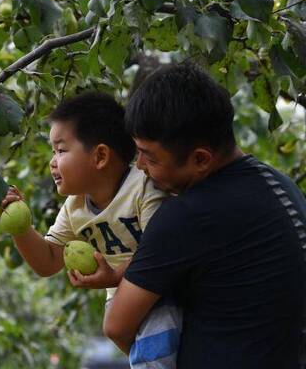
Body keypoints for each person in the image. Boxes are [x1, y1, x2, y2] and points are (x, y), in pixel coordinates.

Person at [104, 62, 306, 368]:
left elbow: (117, 326)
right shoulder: (281, 184)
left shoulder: (187, 215)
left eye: (149, 156)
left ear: (200, 159)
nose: (140, 167)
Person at [0, 91, 181, 366]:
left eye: (60, 150)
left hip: (162, 291)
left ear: (100, 156)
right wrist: (20, 228)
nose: (52, 162)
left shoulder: (142, 188)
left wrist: (114, 276)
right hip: (123, 303)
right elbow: (47, 261)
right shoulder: (74, 208)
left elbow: (161, 252)